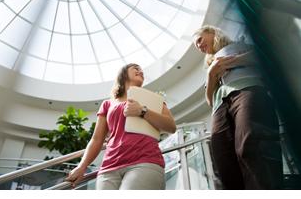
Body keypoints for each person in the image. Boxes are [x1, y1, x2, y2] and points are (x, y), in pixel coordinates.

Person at [193, 25, 283, 189]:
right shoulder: (210, 65)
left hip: (248, 89)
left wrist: (233, 61)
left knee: (252, 145)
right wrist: (211, 74)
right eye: (196, 46)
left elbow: (265, 55)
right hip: (219, 106)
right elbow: (210, 101)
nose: (199, 46)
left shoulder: (240, 43)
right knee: (223, 159)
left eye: (199, 40)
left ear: (212, 32)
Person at [66, 63, 176, 190]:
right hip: (109, 167)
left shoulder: (152, 99)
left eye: (141, 70)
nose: (140, 71)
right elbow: (96, 139)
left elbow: (171, 126)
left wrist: (142, 111)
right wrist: (82, 166)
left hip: (145, 161)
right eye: (136, 68)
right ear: (123, 74)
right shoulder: (108, 104)